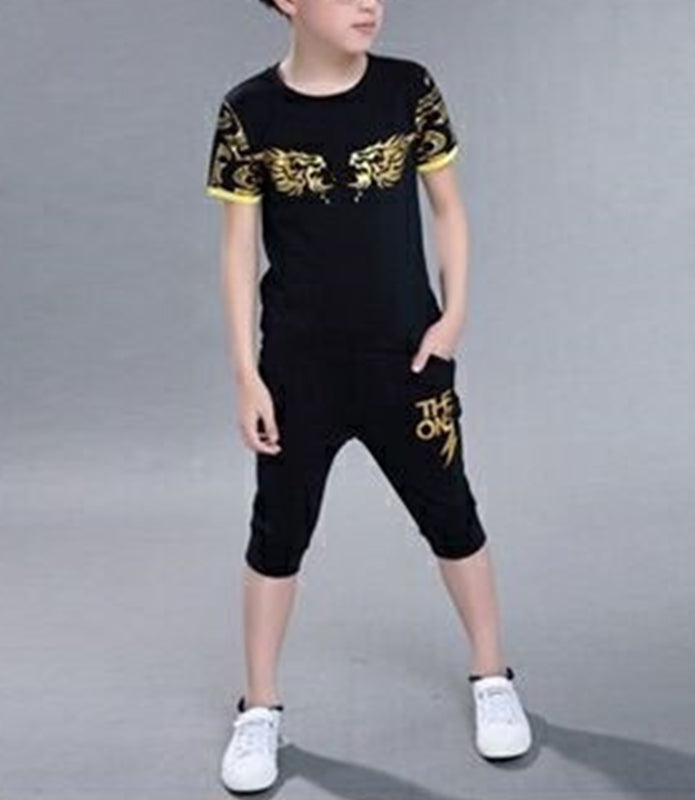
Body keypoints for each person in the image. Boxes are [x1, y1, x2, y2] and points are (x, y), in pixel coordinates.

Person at [204, 0, 532, 791]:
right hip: (298, 370)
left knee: (451, 514)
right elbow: (238, 252)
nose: (369, 3)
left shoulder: (408, 90)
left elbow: (448, 207)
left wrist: (453, 317)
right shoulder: (249, 113)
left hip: (405, 359)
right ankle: (260, 706)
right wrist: (247, 374)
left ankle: (493, 675)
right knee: (277, 531)